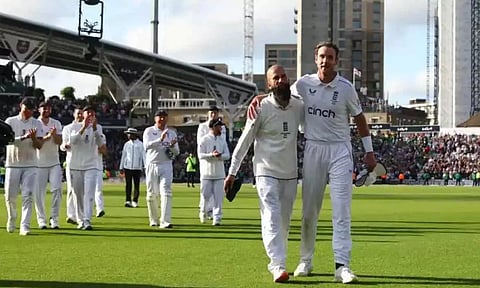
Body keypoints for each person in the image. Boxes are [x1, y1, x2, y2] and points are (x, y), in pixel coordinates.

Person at [248, 42, 377, 283]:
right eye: (321, 56)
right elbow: (281, 91)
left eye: (329, 57)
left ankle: (342, 266)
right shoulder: (304, 84)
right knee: (309, 211)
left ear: (336, 61)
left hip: (340, 150)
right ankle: (306, 260)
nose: (325, 60)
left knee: (341, 210)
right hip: (313, 148)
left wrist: (369, 152)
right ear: (315, 59)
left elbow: (360, 118)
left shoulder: (346, 88)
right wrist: (261, 96)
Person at [225, 65, 304, 283]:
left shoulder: (299, 105)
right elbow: (245, 140)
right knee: (271, 216)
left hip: (289, 174)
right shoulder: (260, 108)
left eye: (283, 77)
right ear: (269, 84)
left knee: (284, 222)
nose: (280, 81)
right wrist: (232, 172)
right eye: (275, 78)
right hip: (265, 172)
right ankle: (277, 265)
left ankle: (280, 261)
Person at [4, 97, 44, 235]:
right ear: (21, 106)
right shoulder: (10, 121)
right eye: (26, 109)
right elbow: (7, 141)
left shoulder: (36, 123)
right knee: (10, 196)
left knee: (28, 195)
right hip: (13, 163)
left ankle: (24, 226)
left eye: (31, 110)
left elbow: (39, 146)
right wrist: (24, 137)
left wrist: (33, 138)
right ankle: (12, 217)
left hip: (30, 164)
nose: (28, 112)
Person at [66, 105, 103, 230]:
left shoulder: (98, 128)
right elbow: (73, 142)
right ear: (83, 114)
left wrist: (95, 129)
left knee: (89, 193)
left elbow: (100, 144)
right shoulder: (72, 127)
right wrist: (83, 127)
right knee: (78, 195)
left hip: (91, 165)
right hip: (75, 166)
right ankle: (80, 220)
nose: (90, 116)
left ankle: (87, 220)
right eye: (88, 113)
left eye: (92, 113)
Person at [143, 110, 179, 228]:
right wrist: (160, 139)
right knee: (151, 194)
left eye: (164, 117)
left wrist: (172, 146)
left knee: (166, 192)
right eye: (160, 117)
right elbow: (146, 146)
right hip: (152, 164)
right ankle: (153, 219)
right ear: (155, 119)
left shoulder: (172, 133)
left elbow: (177, 152)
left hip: (166, 164)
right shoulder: (149, 131)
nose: (162, 119)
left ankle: (165, 221)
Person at [34, 101, 63, 229]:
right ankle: (41, 220)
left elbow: (59, 142)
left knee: (57, 190)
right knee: (39, 193)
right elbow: (37, 144)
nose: (46, 110)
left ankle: (54, 218)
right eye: (44, 108)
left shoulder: (56, 123)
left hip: (54, 162)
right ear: (39, 110)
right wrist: (48, 136)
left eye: (48, 108)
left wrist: (55, 135)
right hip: (39, 163)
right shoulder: (35, 123)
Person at [198, 119, 230, 225]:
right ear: (213, 127)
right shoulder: (204, 139)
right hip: (206, 174)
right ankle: (203, 213)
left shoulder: (222, 140)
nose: (221, 128)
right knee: (205, 196)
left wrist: (220, 156)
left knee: (218, 198)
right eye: (219, 127)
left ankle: (217, 218)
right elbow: (200, 155)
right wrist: (211, 155)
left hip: (219, 174)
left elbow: (228, 155)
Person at [60, 106, 84, 225]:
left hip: (85, 163)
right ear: (74, 115)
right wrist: (65, 146)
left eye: (81, 113)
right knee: (71, 189)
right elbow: (63, 144)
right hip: (72, 162)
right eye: (78, 113)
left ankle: (82, 214)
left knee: (82, 191)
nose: (80, 116)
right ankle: (71, 215)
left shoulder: (88, 128)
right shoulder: (68, 128)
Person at [119, 127, 145, 208]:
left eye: (129, 134)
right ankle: (128, 200)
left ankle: (135, 201)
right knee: (128, 185)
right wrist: (121, 166)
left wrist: (146, 166)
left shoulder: (140, 144)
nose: (128, 136)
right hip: (128, 167)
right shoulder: (127, 144)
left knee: (136, 185)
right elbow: (124, 156)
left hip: (137, 168)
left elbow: (144, 156)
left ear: (134, 135)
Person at [94, 134, 107, 217]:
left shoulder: (101, 135)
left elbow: (104, 151)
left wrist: (100, 149)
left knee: (98, 189)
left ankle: (100, 209)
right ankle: (84, 211)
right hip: (85, 166)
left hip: (98, 167)